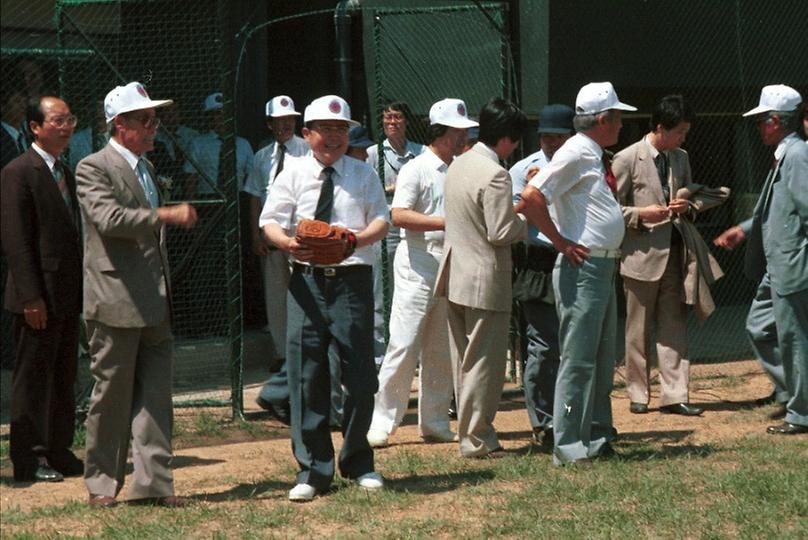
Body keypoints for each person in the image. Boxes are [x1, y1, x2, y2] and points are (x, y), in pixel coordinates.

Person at [260, 95, 389, 501]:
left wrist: (353, 241)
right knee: (306, 374)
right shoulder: (292, 173)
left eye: (340, 129)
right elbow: (270, 221)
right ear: (307, 134)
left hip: (352, 280)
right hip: (307, 282)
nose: (333, 137)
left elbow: (382, 220)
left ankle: (358, 462)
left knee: (360, 376)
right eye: (324, 129)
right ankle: (313, 470)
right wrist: (287, 244)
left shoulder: (362, 173)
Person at [77, 81, 198, 507]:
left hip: (155, 300)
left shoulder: (147, 167)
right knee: (111, 397)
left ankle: (154, 486)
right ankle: (102, 485)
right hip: (114, 299)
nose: (153, 127)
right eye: (144, 119)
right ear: (119, 124)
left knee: (155, 399)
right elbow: (108, 219)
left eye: (155, 119)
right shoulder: (93, 167)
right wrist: (164, 214)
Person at [519, 82, 636, 465]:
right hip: (583, 266)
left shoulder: (590, 153)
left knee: (601, 359)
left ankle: (598, 437)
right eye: (618, 118)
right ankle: (569, 444)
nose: (621, 125)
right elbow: (531, 198)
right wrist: (561, 242)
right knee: (579, 359)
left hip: (602, 264)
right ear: (602, 119)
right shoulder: (575, 153)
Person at [367, 98, 478, 448]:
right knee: (403, 342)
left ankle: (433, 421)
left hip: (451, 262)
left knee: (441, 348)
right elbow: (398, 215)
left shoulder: (461, 167)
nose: (464, 137)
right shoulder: (417, 168)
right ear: (443, 132)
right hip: (418, 261)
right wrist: (446, 222)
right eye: (460, 131)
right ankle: (382, 421)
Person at [614, 95, 719, 417]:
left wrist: (687, 206)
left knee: (674, 327)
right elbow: (609, 211)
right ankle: (638, 393)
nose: (683, 138)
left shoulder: (681, 157)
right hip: (640, 257)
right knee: (637, 330)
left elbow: (688, 194)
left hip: (675, 254)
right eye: (680, 132)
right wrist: (640, 214)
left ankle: (675, 394)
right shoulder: (626, 158)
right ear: (661, 128)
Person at [434, 97, 528, 459]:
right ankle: (476, 439)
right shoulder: (496, 174)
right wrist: (527, 217)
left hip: (456, 275)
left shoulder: (458, 164)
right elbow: (502, 231)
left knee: (466, 363)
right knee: (483, 365)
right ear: (506, 138)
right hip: (485, 279)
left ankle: (472, 435)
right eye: (516, 139)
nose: (516, 147)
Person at [2, 96, 83, 483]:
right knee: (33, 377)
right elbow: (17, 241)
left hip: (66, 292)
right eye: (57, 120)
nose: (66, 126)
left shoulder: (63, 170)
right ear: (35, 127)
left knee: (63, 374)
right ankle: (29, 457)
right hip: (36, 296)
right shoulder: (19, 171)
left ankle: (57, 447)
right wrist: (31, 297)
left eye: (70, 119)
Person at [739, 85, 808, 435]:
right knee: (758, 326)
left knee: (795, 339)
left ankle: (802, 413)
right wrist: (745, 229)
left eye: (762, 121)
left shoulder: (796, 155)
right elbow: (777, 207)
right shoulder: (786, 153)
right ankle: (794, 390)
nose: (758, 127)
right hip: (777, 266)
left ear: (777, 121)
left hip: (791, 265)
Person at [509, 103, 574, 446]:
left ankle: (569, 416)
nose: (550, 142)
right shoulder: (523, 169)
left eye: (557, 136)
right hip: (539, 258)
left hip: (575, 256)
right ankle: (543, 422)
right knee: (542, 344)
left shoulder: (580, 165)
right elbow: (510, 216)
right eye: (545, 135)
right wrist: (534, 194)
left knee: (571, 345)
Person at [244, 95, 308, 368]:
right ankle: (282, 353)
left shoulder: (307, 150)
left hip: (299, 232)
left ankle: (304, 350)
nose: (285, 125)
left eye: (289, 120)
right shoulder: (261, 157)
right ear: (269, 124)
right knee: (276, 294)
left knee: (303, 293)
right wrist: (256, 234)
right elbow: (255, 196)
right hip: (272, 233)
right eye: (279, 121)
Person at [366, 101, 425, 367]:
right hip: (386, 229)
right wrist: (390, 189)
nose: (392, 122)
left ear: (406, 121)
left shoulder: (420, 152)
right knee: (382, 293)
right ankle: (379, 358)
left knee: (413, 293)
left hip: (416, 230)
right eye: (387, 117)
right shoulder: (373, 153)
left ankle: (416, 356)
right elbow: (368, 189)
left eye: (397, 117)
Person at [183, 92, 254, 197]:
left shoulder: (244, 144)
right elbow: (191, 178)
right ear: (210, 117)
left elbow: (252, 177)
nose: (222, 117)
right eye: (217, 113)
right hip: (208, 200)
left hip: (238, 199)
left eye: (225, 112)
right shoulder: (197, 144)